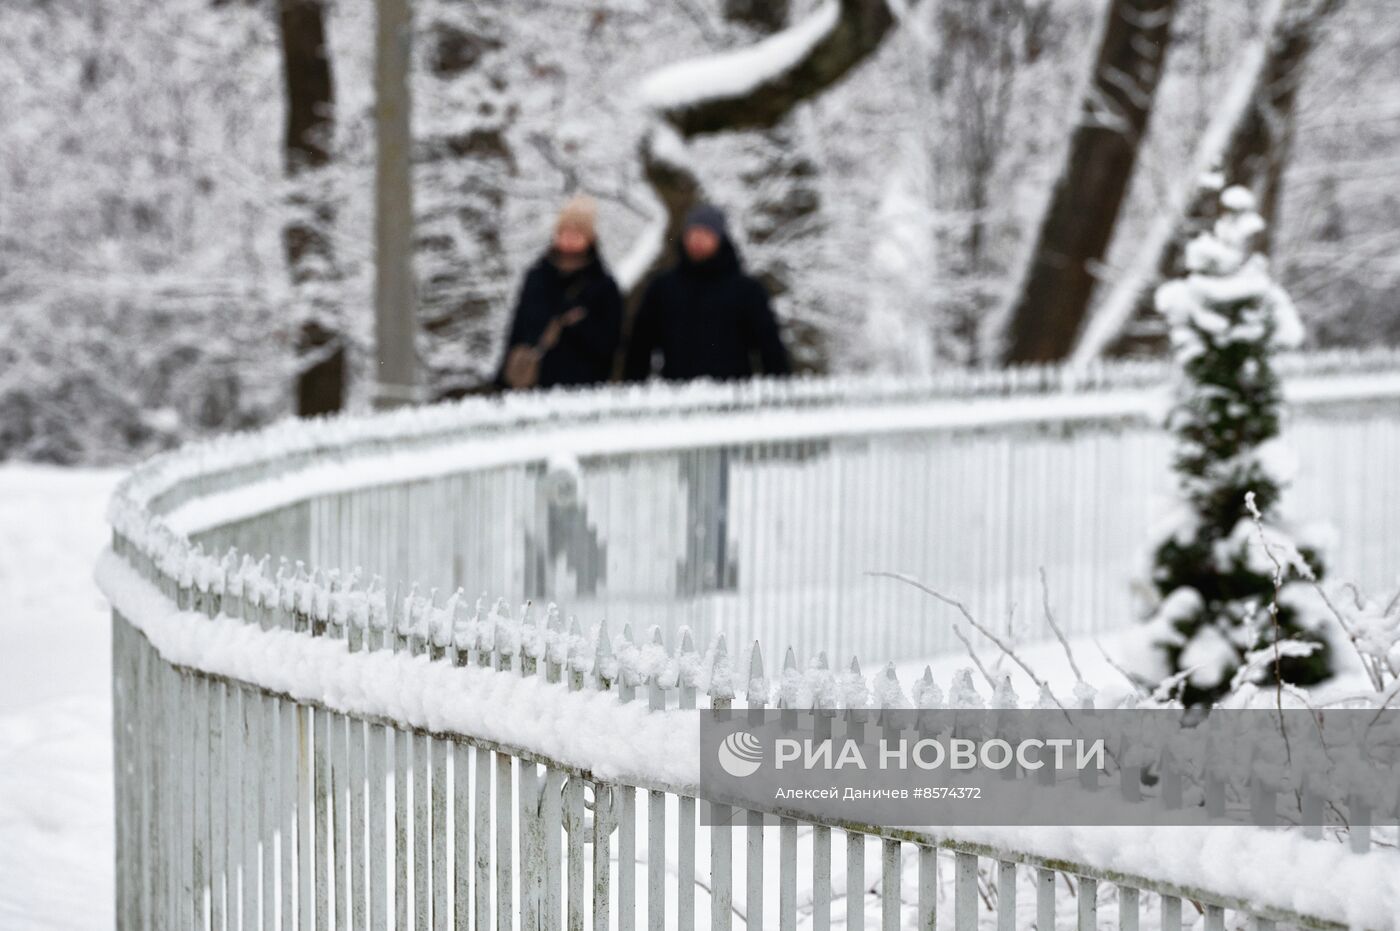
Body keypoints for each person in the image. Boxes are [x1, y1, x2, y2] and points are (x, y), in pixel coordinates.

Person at [624, 204, 790, 381]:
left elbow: (770, 348)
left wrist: (779, 396)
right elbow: (639, 347)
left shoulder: (747, 290)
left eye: (705, 233)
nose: (698, 239)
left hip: (734, 398)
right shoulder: (662, 288)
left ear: (719, 238)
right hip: (675, 397)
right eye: (693, 233)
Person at [497, 195, 623, 390]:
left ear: (590, 239)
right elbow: (517, 329)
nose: (569, 239)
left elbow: (610, 344)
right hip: (532, 385)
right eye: (565, 232)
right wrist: (503, 379)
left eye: (577, 233)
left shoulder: (604, 286)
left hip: (581, 389)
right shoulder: (536, 277)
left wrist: (577, 325)